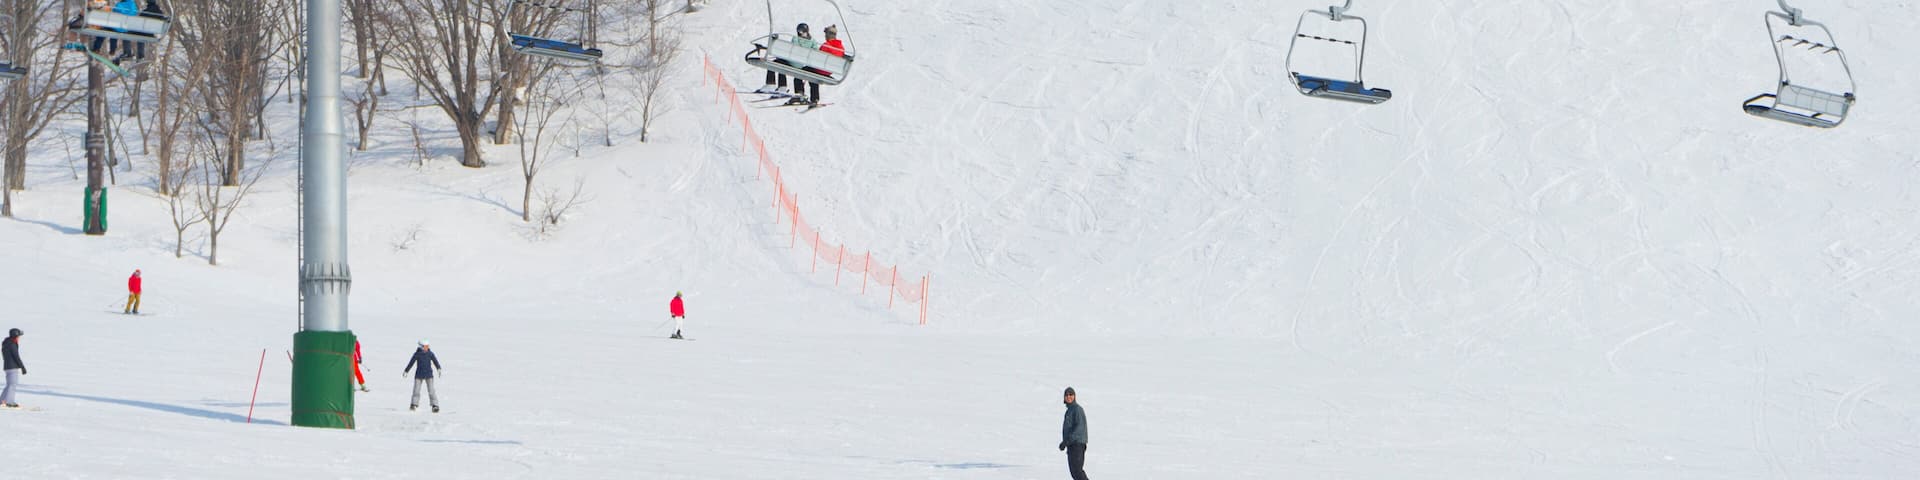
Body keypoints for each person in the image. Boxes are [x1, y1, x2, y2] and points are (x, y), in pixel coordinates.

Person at [402, 340, 442, 412]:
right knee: (416, 390)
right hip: (419, 375)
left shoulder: (430, 354)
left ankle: (435, 405)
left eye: (428, 346)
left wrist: (438, 368)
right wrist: (406, 371)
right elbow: (411, 363)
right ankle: (414, 404)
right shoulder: (417, 354)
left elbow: (435, 361)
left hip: (429, 375)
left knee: (431, 391)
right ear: (421, 347)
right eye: (425, 346)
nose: (427, 348)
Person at [1059, 387, 1090, 480]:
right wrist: (1065, 442)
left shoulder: (1077, 409)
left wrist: (1067, 440)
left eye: (1071, 394)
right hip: (1071, 445)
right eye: (1066, 395)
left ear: (1074, 396)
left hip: (1077, 444)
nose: (1068, 397)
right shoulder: (1069, 411)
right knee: (1074, 472)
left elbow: (1079, 427)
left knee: (1077, 471)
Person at [3, 329, 25, 409]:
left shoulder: (6, 342)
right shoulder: (12, 344)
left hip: (7, 366)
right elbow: (16, 356)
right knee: (12, 385)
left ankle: (2, 400)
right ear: (15, 335)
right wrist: (22, 367)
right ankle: (9, 402)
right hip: (12, 367)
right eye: (19, 335)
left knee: (9, 385)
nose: (19, 337)